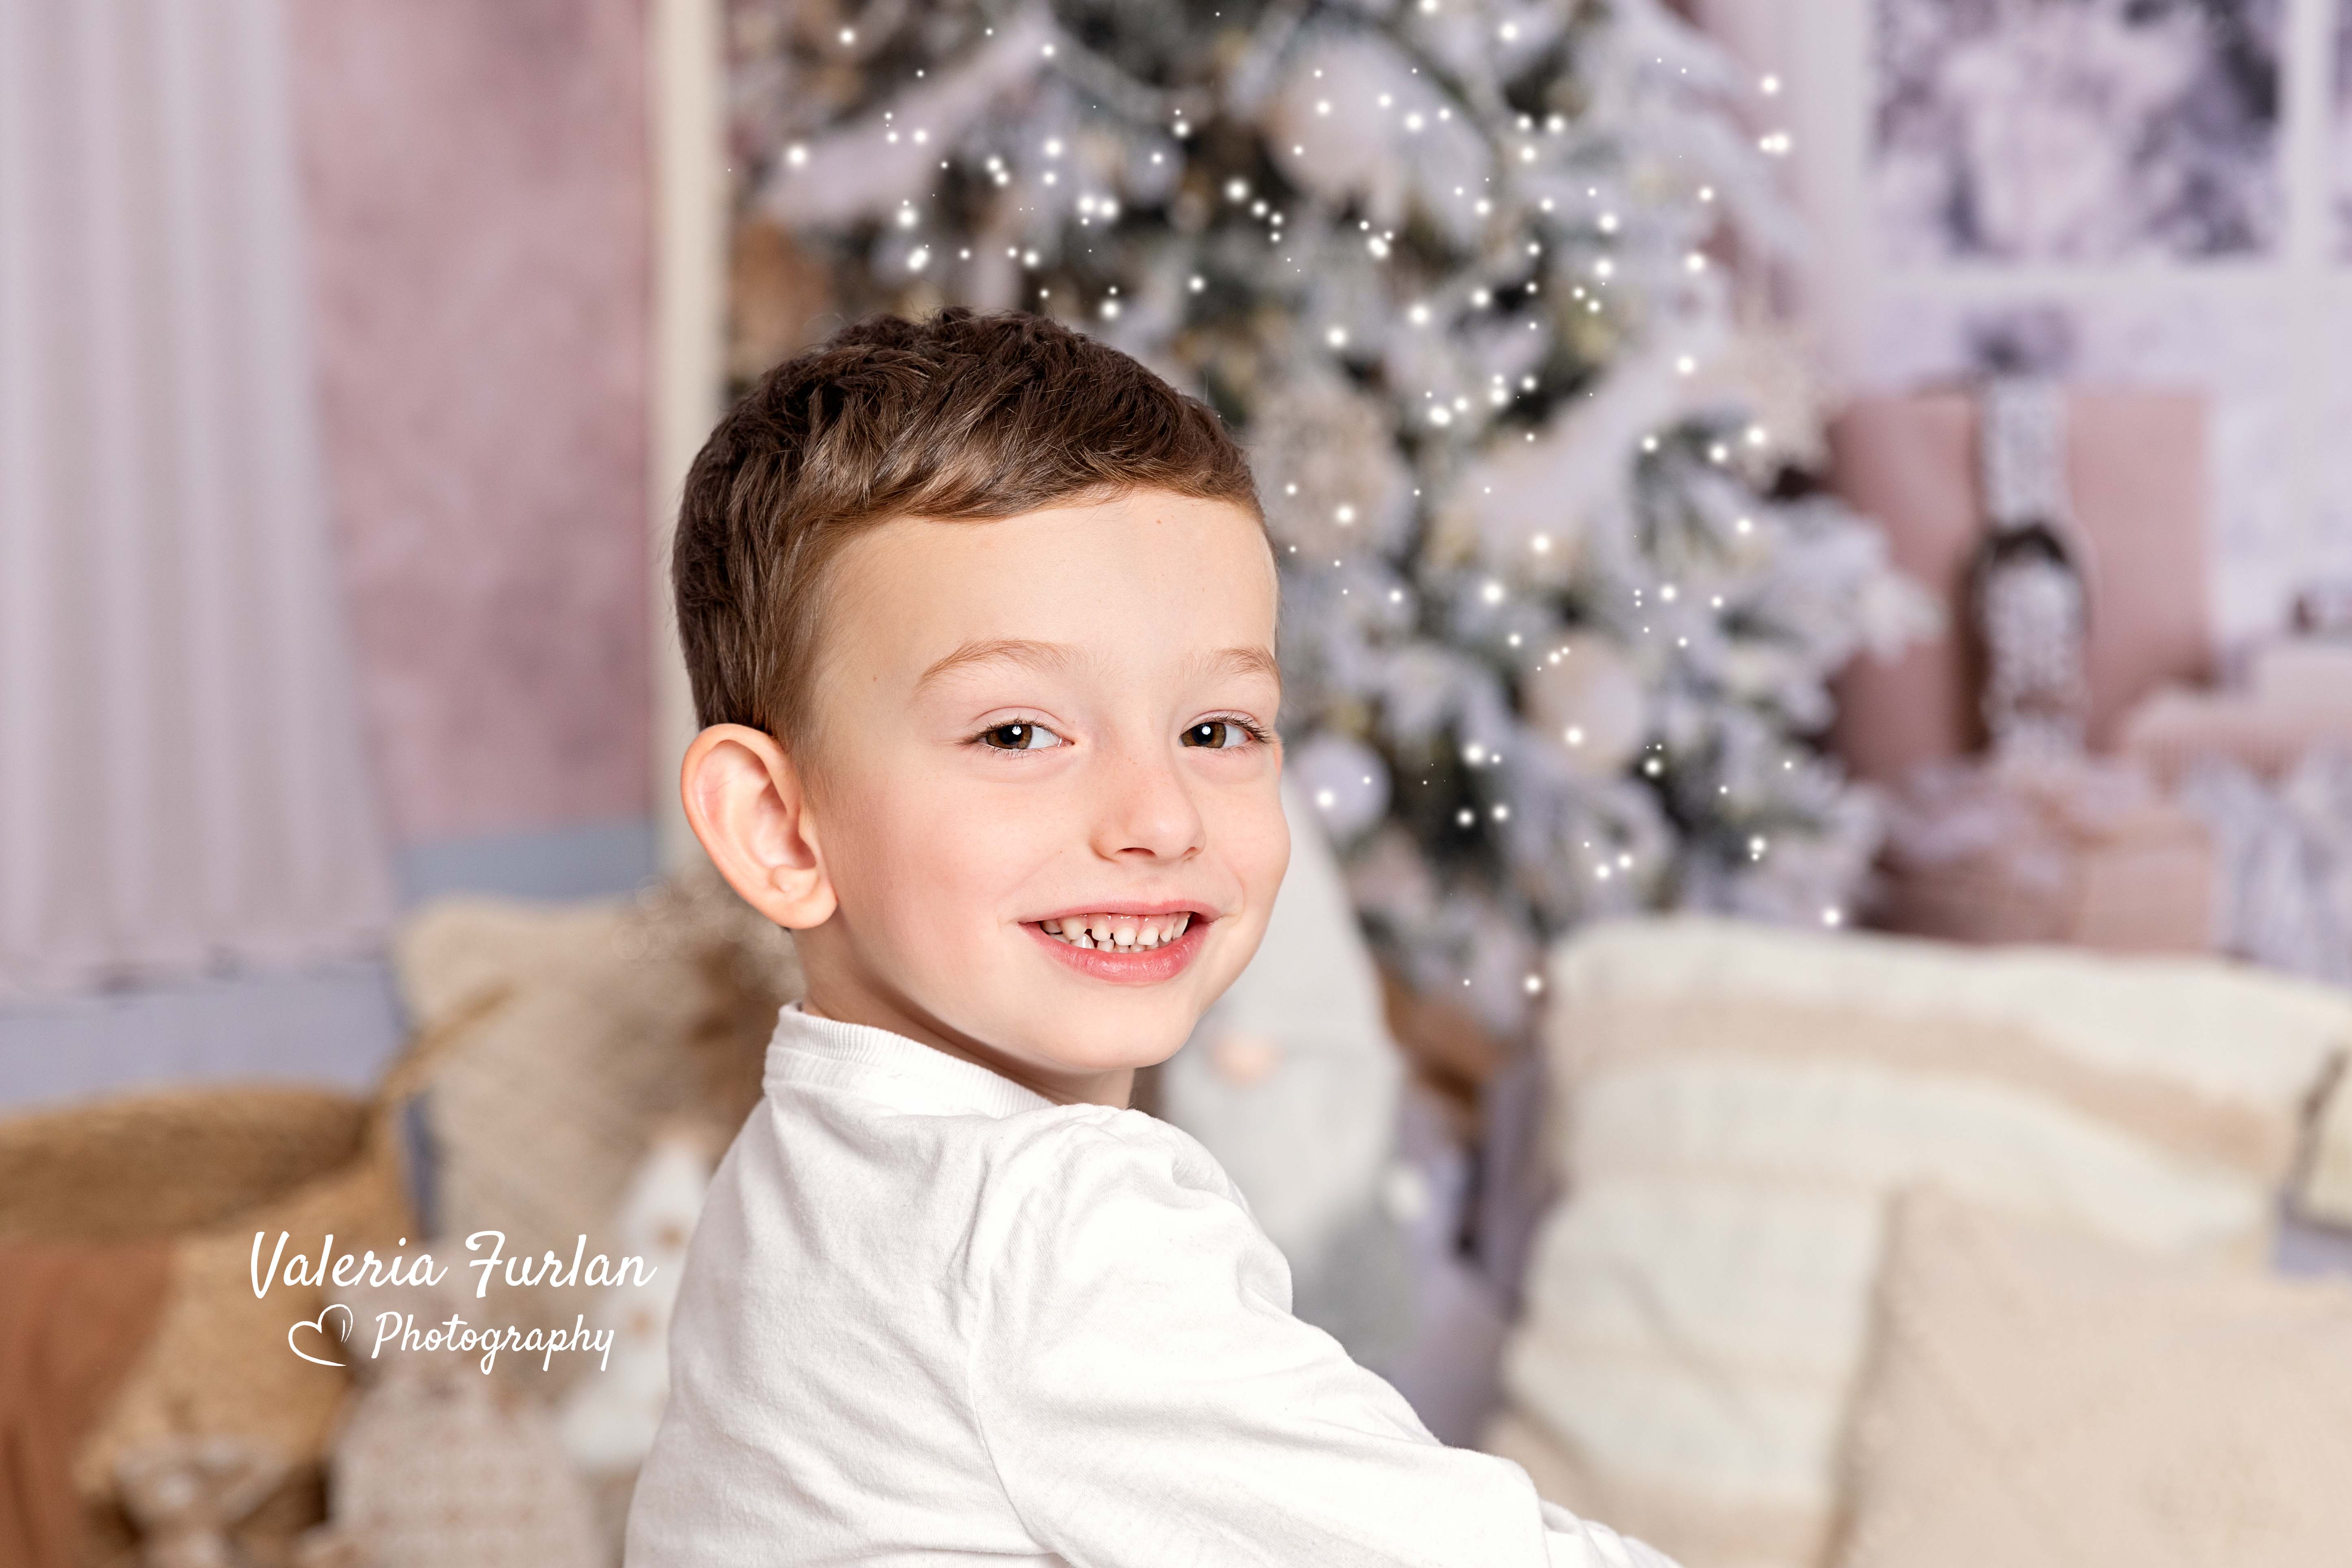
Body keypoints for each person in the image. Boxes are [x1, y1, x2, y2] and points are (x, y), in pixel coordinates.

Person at [624, 306, 1674, 1568]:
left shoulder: (800, 1168)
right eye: (1018, 733)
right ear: (778, 827)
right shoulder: (1054, 1222)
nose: (1161, 819)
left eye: (1216, 731)